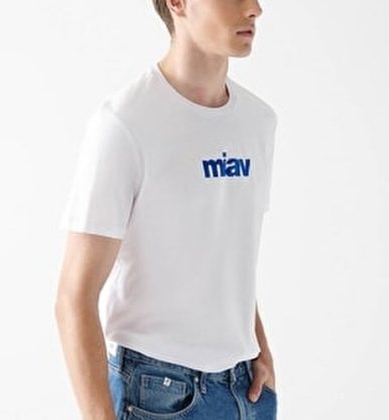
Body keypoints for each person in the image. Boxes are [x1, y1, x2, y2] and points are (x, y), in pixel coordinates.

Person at [55, 0, 279, 419]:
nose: (254, 9)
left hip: (246, 389)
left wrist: (261, 350)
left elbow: (224, 254)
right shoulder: (124, 124)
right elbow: (74, 296)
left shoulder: (258, 121)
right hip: (158, 395)